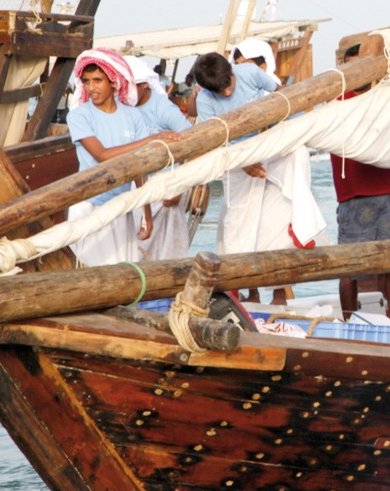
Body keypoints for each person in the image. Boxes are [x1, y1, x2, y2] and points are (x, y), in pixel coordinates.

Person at [66, 48, 181, 266]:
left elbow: (139, 166)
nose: (92, 88)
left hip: (121, 206)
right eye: (87, 81)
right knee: (93, 275)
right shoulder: (79, 116)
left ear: (113, 82)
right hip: (90, 205)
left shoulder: (132, 115)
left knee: (124, 272)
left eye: (98, 80)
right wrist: (153, 139)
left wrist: (146, 213)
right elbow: (102, 155)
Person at [192, 50, 287, 304]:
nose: (225, 94)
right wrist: (243, 163)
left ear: (233, 71)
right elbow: (215, 139)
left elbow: (280, 93)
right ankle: (249, 290)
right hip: (236, 161)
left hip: (270, 147)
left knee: (277, 221)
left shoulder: (250, 73)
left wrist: (266, 125)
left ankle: (280, 293)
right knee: (240, 227)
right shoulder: (205, 100)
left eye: (228, 86)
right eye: (218, 91)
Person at [331, 44, 390, 320]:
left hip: (388, 193)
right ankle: (350, 323)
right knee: (349, 269)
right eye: (354, 66)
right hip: (353, 198)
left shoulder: (384, 99)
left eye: (365, 66)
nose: (360, 73)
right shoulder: (336, 103)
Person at [126, 55, 194, 261]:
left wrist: (179, 187)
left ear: (144, 85)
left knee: (165, 250)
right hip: (136, 185)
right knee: (135, 246)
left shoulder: (163, 109)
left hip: (166, 188)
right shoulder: (125, 108)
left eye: (130, 87)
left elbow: (195, 143)